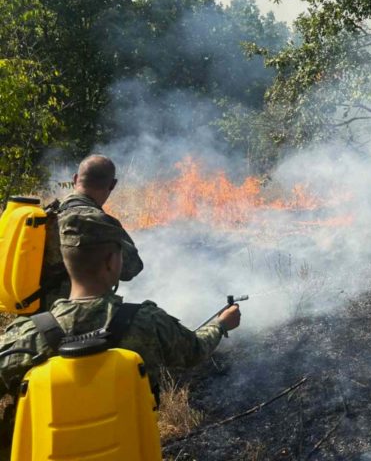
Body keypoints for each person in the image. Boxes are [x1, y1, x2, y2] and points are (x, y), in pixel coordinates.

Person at [0, 214, 241, 453]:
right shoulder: (147, 322)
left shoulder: (25, 336)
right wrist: (220, 325)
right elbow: (195, 351)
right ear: (111, 262)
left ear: (66, 262)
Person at [41, 154, 143, 308]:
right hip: (72, 318)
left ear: (75, 179)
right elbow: (131, 269)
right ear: (113, 184)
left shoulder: (46, 217)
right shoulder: (101, 224)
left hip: (34, 316)